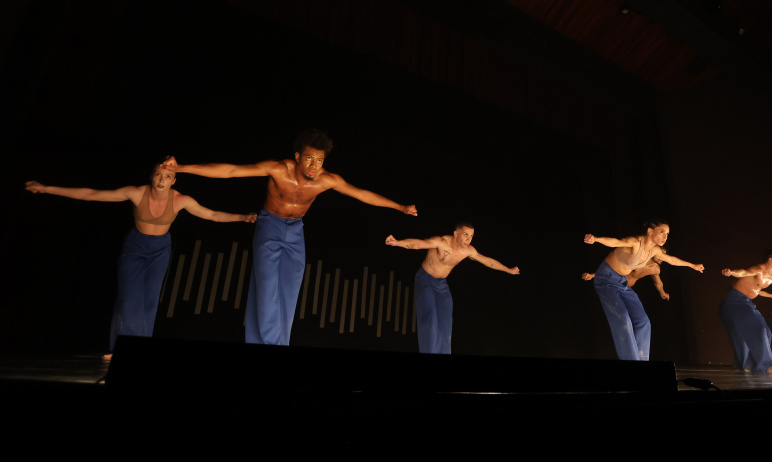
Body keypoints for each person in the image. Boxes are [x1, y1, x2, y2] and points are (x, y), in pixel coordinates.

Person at [163, 129, 416, 346]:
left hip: (296, 229)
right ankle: (273, 344)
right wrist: (181, 168)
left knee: (289, 288)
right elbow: (230, 171)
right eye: (308, 159)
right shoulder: (278, 169)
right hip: (269, 225)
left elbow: (362, 195)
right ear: (298, 157)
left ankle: (278, 343)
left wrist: (400, 207)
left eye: (319, 160)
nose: (313, 166)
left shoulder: (327, 180)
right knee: (267, 285)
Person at [25, 164, 256, 355]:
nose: (162, 180)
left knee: (149, 301)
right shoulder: (136, 193)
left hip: (159, 250)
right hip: (135, 247)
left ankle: (137, 350)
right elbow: (92, 194)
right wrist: (46, 188)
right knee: (129, 299)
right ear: (151, 175)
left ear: (174, 180)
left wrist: (242, 217)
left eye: (168, 176)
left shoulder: (181, 200)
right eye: (158, 174)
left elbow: (212, 215)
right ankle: (120, 349)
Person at [385, 222, 519, 354]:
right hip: (425, 280)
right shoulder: (441, 242)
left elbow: (488, 262)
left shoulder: (468, 251)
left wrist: (508, 270)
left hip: (442, 285)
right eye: (465, 234)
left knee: (446, 325)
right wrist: (397, 242)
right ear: (456, 234)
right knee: (430, 319)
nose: (469, 239)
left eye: (471, 236)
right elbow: (417, 244)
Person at [583, 220, 704, 361]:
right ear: (650, 231)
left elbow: (672, 260)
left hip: (622, 283)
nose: (665, 236)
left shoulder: (655, 252)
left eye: (667, 234)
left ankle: (642, 360)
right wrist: (596, 239)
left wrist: (692, 265)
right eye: (662, 232)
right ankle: (631, 361)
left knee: (643, 320)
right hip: (606, 279)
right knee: (623, 317)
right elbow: (616, 242)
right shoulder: (635, 242)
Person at [719, 250, 772, 376]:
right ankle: (766, 365)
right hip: (734, 301)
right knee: (759, 329)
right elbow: (743, 272)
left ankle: (749, 365)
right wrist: (731, 272)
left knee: (766, 332)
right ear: (771, 260)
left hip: (746, 303)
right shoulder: (758, 269)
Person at [581, 246, 669, 300]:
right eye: (661, 254)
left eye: (664, 255)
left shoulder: (656, 269)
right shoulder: (639, 258)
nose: (663, 257)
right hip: (617, 278)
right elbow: (614, 268)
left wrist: (662, 292)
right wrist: (593, 275)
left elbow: (658, 282)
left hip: (627, 285)